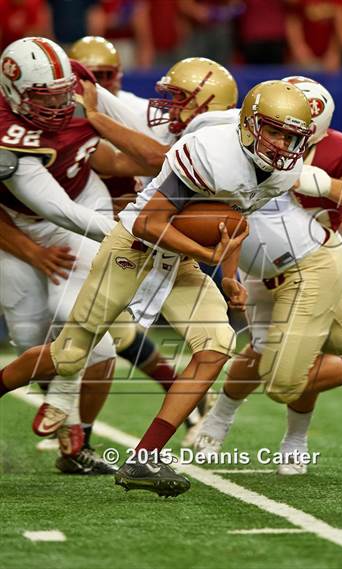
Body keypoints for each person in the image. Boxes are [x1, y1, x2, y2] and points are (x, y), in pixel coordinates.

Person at [0, 80, 318, 497]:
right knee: (69, 354)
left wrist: (228, 277)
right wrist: (207, 256)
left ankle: (143, 459)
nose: (281, 144)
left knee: (217, 345)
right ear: (249, 125)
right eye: (273, 131)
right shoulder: (212, 152)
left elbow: (233, 224)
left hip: (180, 257)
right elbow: (149, 222)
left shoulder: (281, 174)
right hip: (132, 247)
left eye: (290, 136)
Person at [194, 76, 342, 475]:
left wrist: (326, 183)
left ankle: (299, 430)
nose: (281, 138)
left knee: (284, 377)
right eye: (277, 124)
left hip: (312, 263)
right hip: (264, 270)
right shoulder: (246, 138)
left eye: (293, 128)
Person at [0, 36, 165, 474]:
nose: (58, 106)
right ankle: (67, 414)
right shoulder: (4, 135)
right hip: (18, 226)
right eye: (45, 98)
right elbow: (54, 209)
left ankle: (71, 422)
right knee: (30, 338)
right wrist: (124, 231)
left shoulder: (78, 79)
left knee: (77, 317)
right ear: (13, 92)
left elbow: (138, 135)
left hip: (83, 200)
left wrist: (99, 112)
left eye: (62, 94)